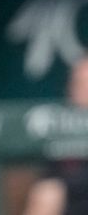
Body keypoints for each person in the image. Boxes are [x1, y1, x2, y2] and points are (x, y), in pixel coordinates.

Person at [22, 57, 88, 215]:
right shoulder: (59, 124)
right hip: (68, 201)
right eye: (77, 83)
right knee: (47, 194)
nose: (81, 90)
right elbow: (49, 176)